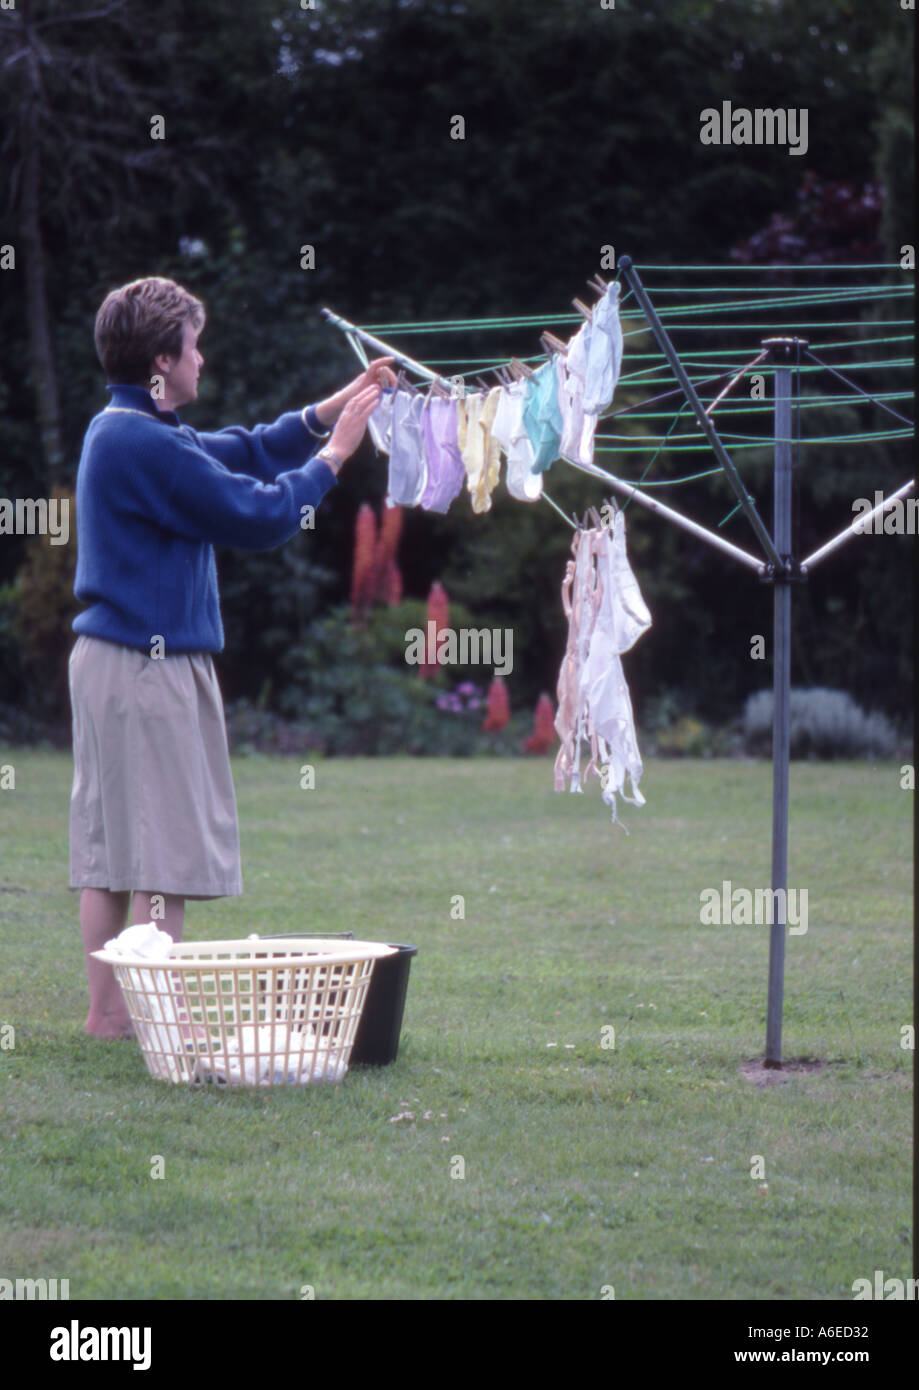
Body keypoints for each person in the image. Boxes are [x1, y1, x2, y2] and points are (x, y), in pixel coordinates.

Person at [69, 275, 396, 1037]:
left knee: (111, 849)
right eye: (193, 347)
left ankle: (110, 1017)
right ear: (161, 361)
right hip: (147, 669)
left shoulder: (123, 428)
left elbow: (243, 449)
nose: (202, 360)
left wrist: (329, 408)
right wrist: (336, 455)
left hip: (111, 663)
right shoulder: (145, 443)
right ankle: (160, 1023)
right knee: (160, 857)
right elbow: (257, 514)